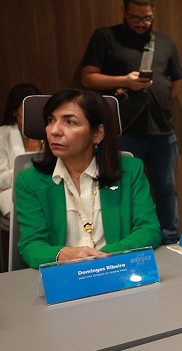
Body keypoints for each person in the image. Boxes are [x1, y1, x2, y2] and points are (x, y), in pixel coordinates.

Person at [80, 0, 182, 244]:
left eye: (147, 17)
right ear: (124, 11)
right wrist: (124, 81)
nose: (141, 23)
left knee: (167, 189)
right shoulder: (106, 37)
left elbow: (175, 84)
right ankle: (129, 242)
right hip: (124, 130)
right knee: (124, 188)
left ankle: (170, 240)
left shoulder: (165, 43)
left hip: (162, 130)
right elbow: (88, 77)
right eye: (135, 17)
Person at [15, 89, 162, 269]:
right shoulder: (30, 180)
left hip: (118, 270)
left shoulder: (130, 170)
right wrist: (64, 255)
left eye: (69, 122)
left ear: (97, 134)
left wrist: (103, 258)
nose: (54, 130)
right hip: (63, 275)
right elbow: (31, 246)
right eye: (51, 120)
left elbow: (149, 230)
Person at [0, 83, 44, 216]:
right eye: (26, 111)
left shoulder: (49, 132)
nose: (32, 116)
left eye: (36, 110)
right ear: (14, 111)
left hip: (47, 190)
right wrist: (30, 167)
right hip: (15, 194)